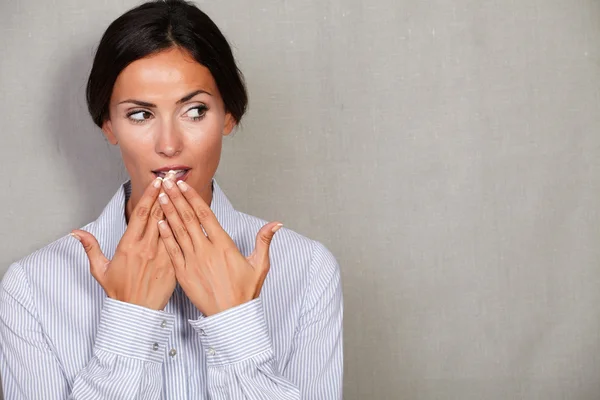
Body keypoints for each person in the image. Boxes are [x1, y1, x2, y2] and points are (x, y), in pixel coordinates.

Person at [0, 1, 343, 398]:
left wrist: (234, 322)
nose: (169, 145)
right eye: (140, 115)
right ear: (108, 125)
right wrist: (129, 322)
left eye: (195, 111)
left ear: (228, 116)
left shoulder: (307, 270)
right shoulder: (32, 288)